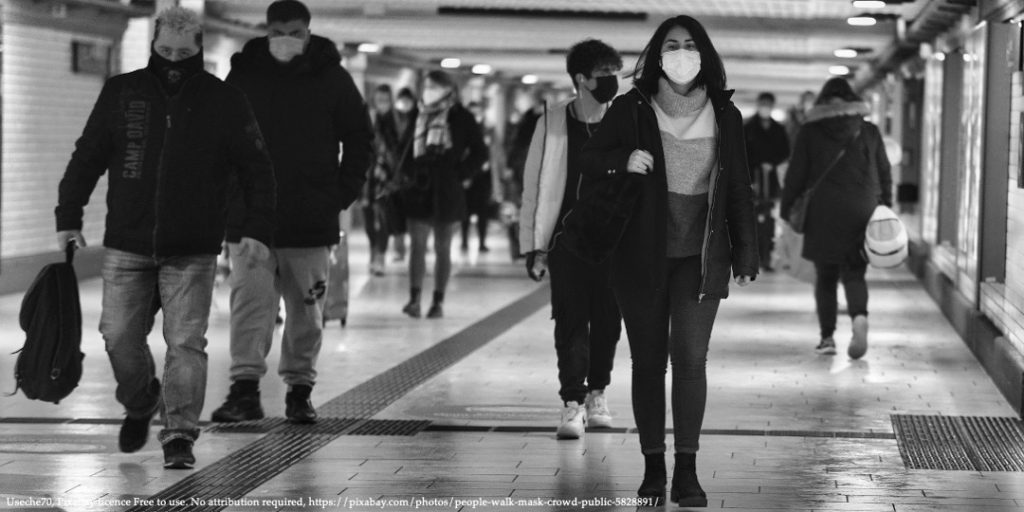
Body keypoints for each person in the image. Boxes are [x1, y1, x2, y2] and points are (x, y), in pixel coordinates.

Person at [54, 6, 275, 469]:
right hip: (127, 242)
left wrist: (256, 228)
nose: (173, 60)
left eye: (183, 52)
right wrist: (68, 214)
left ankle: (179, 435)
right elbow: (88, 154)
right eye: (165, 51)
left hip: (192, 246)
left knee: (186, 343)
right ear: (153, 44)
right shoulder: (124, 91)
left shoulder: (223, 100)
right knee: (118, 337)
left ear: (198, 48)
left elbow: (257, 170)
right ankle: (140, 402)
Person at [578, 15, 758, 507]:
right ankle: (653, 468)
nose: (681, 53)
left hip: (700, 259)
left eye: (690, 44)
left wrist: (746, 252)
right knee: (649, 363)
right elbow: (592, 161)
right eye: (672, 45)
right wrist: (623, 161)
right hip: (641, 255)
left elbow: (739, 186)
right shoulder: (632, 108)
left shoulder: (725, 114)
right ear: (657, 54)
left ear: (705, 54)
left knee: (692, 362)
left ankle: (688, 470)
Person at [211, 0, 372, 425]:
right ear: (266, 31)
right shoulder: (244, 75)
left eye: (294, 33)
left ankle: (300, 390)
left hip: (310, 218)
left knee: (306, 309)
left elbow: (360, 138)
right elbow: (220, 139)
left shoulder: (332, 78)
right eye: (278, 32)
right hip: (250, 220)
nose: (286, 41)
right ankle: (244, 389)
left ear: (308, 31)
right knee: (250, 306)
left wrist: (339, 195)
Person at [519, 39, 624, 441]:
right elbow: (535, 185)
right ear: (581, 80)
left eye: (615, 75)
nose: (612, 84)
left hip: (614, 241)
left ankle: (598, 393)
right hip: (567, 242)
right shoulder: (553, 121)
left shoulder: (626, 121)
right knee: (570, 321)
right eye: (604, 77)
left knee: (608, 323)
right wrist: (533, 246)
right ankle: (572, 402)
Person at [781, 78, 892, 359]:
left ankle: (828, 337)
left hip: (823, 212)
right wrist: (885, 208)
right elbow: (884, 171)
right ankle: (859, 318)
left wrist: (787, 208)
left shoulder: (810, 131)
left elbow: (796, 175)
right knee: (855, 272)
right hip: (862, 210)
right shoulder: (869, 131)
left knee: (826, 277)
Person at [400, 70, 488, 319]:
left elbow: (480, 152)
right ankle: (414, 298)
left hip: (448, 188)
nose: (429, 90)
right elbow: (404, 148)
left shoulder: (462, 117)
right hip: (419, 187)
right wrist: (409, 172)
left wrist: (460, 173)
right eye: (426, 86)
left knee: (443, 247)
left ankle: (438, 301)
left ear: (449, 90)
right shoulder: (418, 114)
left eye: (434, 86)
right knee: (417, 245)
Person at [744, 92, 790, 272]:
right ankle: (750, 258)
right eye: (762, 103)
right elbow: (741, 151)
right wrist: (755, 166)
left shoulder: (779, 129)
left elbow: (785, 151)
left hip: (770, 182)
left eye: (767, 104)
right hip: (752, 180)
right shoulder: (747, 128)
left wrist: (772, 164)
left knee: (769, 220)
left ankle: (766, 257)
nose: (765, 107)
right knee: (751, 220)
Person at [365, 84, 401, 276]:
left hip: (387, 179)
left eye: (386, 100)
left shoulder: (395, 121)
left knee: (384, 219)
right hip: (368, 179)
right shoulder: (368, 118)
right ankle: (373, 251)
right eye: (379, 100)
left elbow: (398, 148)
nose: (382, 104)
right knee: (369, 219)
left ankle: (380, 256)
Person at [460, 101, 495, 253]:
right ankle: (464, 241)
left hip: (483, 177)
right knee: (465, 211)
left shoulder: (488, 130)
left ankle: (482, 241)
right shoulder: (463, 131)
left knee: (483, 211)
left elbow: (495, 152)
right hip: (468, 175)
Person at [390, 87, 418, 262]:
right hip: (392, 175)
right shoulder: (389, 120)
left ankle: (414, 245)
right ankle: (399, 248)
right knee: (394, 214)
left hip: (411, 176)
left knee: (411, 214)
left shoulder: (417, 120)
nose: (404, 105)